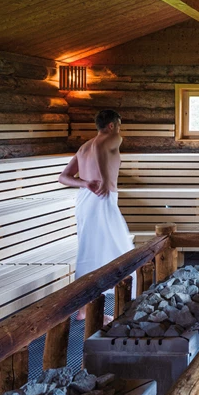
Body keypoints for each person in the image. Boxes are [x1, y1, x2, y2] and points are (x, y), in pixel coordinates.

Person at [58, 109, 132, 318]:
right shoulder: (111, 138)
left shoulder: (83, 147)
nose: (119, 130)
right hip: (102, 198)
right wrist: (105, 178)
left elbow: (63, 177)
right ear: (111, 125)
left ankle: (84, 309)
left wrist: (85, 182)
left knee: (91, 251)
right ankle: (125, 305)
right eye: (118, 125)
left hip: (86, 198)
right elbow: (102, 145)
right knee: (120, 249)